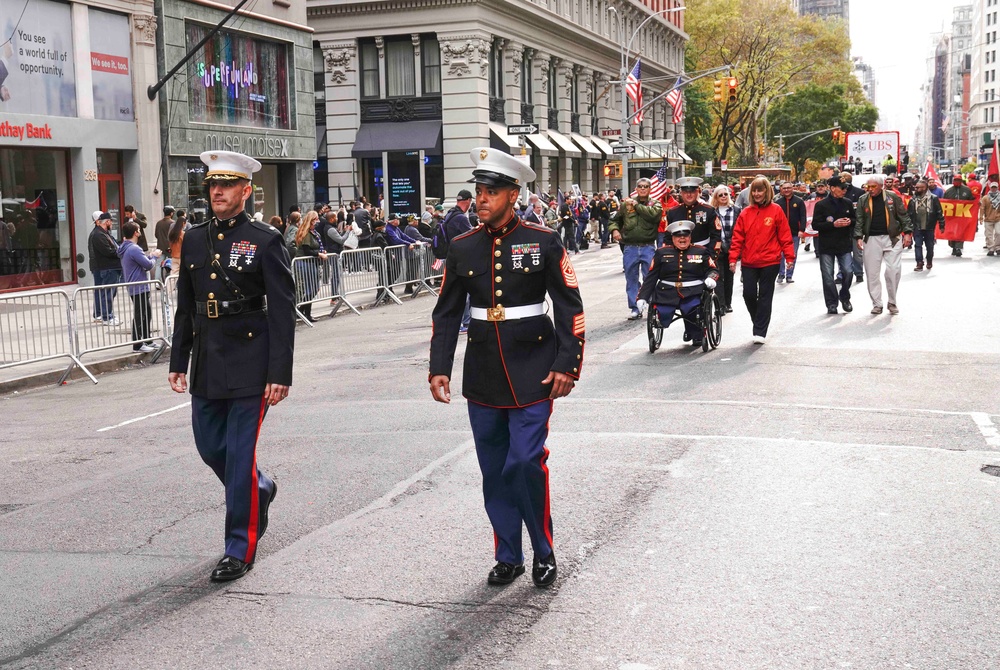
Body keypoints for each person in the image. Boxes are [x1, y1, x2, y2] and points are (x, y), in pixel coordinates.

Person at [428, 147, 584, 589]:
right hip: (483, 373)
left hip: (534, 368)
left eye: (491, 192)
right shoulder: (462, 246)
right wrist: (440, 366)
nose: (481, 199)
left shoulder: (543, 239)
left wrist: (567, 363)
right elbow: (446, 312)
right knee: (494, 470)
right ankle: (508, 555)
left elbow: (570, 306)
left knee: (524, 462)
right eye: (479, 191)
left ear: (512, 195)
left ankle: (543, 549)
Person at [168, 150, 294, 582]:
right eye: (212, 185)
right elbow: (186, 302)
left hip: (250, 359)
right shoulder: (197, 238)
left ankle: (239, 547)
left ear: (246, 191)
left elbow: (281, 310)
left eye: (226, 185)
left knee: (239, 456)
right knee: (210, 448)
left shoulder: (265, 238)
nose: (217, 191)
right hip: (207, 357)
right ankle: (260, 489)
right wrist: (178, 358)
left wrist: (280, 373)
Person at [728, 177, 795, 344]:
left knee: (765, 296)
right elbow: (737, 238)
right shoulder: (745, 213)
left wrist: (789, 257)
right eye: (754, 191)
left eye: (760, 190)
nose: (757, 194)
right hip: (749, 261)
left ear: (767, 191)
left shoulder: (776, 210)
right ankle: (758, 320)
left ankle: (760, 330)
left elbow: (785, 236)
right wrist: (732, 258)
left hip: (770, 261)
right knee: (748, 294)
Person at [635, 220, 719, 346]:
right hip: (667, 293)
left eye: (685, 236)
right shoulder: (661, 253)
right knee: (663, 314)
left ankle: (695, 333)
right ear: (673, 238)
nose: (682, 239)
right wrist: (642, 297)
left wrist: (711, 278)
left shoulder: (700, 251)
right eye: (678, 236)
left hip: (693, 292)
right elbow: (651, 277)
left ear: (690, 237)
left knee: (693, 312)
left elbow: (713, 269)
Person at [854, 175, 912, 315]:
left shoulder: (893, 197)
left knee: (893, 269)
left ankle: (892, 301)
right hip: (871, 238)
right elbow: (859, 219)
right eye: (868, 186)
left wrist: (908, 233)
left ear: (881, 186)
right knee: (872, 273)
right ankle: (877, 304)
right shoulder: (863, 199)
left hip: (892, 237)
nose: (870, 189)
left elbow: (903, 215)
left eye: (873, 187)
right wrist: (858, 237)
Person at [608, 177, 662, 320]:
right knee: (631, 278)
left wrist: (637, 205)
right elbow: (614, 219)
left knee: (649, 277)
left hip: (648, 246)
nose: (643, 189)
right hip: (630, 247)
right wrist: (614, 230)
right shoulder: (626, 205)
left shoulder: (654, 204)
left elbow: (654, 216)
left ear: (650, 189)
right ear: (636, 189)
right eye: (640, 186)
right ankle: (635, 307)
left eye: (646, 186)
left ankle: (653, 306)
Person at [811, 175, 856, 314]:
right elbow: (815, 224)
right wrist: (833, 224)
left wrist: (850, 222)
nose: (844, 191)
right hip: (827, 245)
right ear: (832, 188)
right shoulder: (821, 205)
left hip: (844, 244)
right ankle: (831, 303)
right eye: (842, 188)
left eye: (846, 188)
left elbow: (855, 219)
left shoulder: (848, 203)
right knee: (828, 276)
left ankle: (844, 296)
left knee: (848, 272)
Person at [117, 219, 162, 351]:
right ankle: (138, 344)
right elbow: (148, 265)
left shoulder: (126, 247)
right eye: (138, 230)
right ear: (136, 233)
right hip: (138, 285)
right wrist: (154, 256)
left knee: (146, 313)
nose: (140, 232)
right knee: (140, 314)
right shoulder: (134, 248)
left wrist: (149, 257)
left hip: (136, 285)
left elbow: (140, 262)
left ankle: (147, 340)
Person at [667, 177, 721, 254]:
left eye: (692, 191)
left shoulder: (709, 210)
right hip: (678, 255)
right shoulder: (673, 212)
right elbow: (668, 237)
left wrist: (710, 256)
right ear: (681, 193)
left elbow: (716, 236)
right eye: (685, 192)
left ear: (697, 192)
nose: (689, 194)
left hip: (703, 253)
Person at [88, 211, 122, 325]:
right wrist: (121, 252)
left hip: (106, 267)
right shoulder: (98, 234)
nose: (111, 224)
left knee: (103, 291)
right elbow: (108, 251)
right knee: (106, 292)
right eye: (110, 221)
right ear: (106, 222)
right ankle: (106, 316)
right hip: (106, 267)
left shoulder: (103, 233)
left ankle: (101, 314)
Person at [293, 210, 328, 323]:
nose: (317, 221)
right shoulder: (307, 233)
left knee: (313, 289)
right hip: (306, 263)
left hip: (311, 263)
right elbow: (307, 250)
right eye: (315, 219)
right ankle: (303, 312)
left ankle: (303, 311)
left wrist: (321, 251)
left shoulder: (312, 232)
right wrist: (319, 253)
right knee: (311, 289)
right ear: (311, 220)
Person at [710, 185, 739, 312]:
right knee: (719, 277)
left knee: (729, 277)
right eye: (720, 195)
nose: (723, 197)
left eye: (725, 194)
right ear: (716, 197)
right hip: (717, 248)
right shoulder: (711, 211)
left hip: (732, 248)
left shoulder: (736, 210)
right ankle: (720, 305)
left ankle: (728, 303)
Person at [907, 179, 945, 271]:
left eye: (918, 187)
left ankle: (929, 261)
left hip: (929, 227)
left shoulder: (934, 198)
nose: (915, 189)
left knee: (930, 246)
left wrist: (941, 224)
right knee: (918, 245)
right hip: (917, 227)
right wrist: (908, 227)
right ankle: (919, 262)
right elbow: (908, 214)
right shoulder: (913, 199)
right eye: (915, 187)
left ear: (924, 188)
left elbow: (939, 212)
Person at [774, 181, 806, 284]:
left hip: (794, 233)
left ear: (792, 189)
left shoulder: (799, 201)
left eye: (788, 188)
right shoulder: (777, 203)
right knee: (780, 255)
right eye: (784, 188)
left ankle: (789, 275)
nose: (786, 190)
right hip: (780, 234)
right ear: (781, 190)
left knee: (793, 254)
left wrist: (801, 230)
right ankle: (781, 273)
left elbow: (803, 216)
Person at [943, 175, 974, 257]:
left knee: (961, 231)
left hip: (963, 215)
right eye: (955, 180)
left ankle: (958, 248)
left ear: (961, 181)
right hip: (951, 216)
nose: (957, 181)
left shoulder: (967, 190)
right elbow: (944, 202)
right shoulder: (948, 191)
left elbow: (972, 200)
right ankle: (953, 246)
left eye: (959, 180)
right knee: (952, 232)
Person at [154, 206, 175, 281]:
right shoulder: (172, 223)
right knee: (171, 265)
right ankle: (169, 280)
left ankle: (157, 281)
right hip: (170, 247)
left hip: (160, 247)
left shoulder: (159, 223)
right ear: (171, 213)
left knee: (158, 265)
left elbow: (156, 235)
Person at [981, 181, 1000, 257]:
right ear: (990, 188)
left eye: (995, 187)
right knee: (989, 235)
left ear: (997, 187)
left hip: (998, 218)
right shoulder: (985, 198)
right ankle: (991, 249)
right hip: (988, 219)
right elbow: (982, 208)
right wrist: (980, 218)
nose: (994, 189)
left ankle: (998, 247)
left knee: (998, 233)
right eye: (992, 187)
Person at [167, 213, 186, 278]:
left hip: (174, 256)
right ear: (183, 223)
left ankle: (170, 288)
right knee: (184, 275)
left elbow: (170, 243)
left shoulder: (172, 233)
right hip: (181, 256)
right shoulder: (183, 234)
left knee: (173, 274)